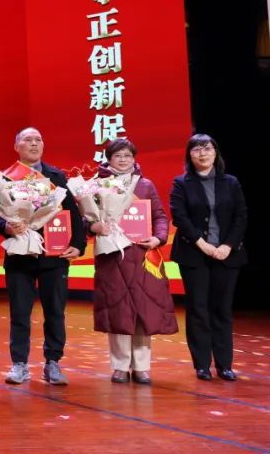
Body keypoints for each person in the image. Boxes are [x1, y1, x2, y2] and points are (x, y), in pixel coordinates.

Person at [0, 127, 86, 386]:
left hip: (54, 255)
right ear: (17, 146)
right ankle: (19, 364)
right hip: (20, 255)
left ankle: (53, 362)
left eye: (38, 140)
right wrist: (7, 227)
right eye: (28, 140)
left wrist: (78, 245)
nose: (34, 144)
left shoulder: (56, 176)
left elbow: (73, 213)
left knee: (55, 311)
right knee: (20, 312)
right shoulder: (5, 178)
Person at [89, 138, 177, 385]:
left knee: (143, 310)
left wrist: (158, 238)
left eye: (127, 155)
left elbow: (160, 216)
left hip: (142, 255)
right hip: (112, 255)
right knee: (118, 310)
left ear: (134, 158)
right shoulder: (97, 185)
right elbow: (86, 219)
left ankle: (141, 366)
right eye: (118, 155)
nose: (123, 159)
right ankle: (119, 365)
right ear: (109, 159)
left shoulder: (145, 185)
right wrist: (94, 226)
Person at [169, 134, 248, 381]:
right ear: (189, 155)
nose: (202, 154)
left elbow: (241, 216)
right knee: (198, 308)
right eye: (196, 150)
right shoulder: (181, 183)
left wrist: (227, 245)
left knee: (222, 309)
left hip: (227, 254)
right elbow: (180, 217)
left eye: (207, 149)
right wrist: (202, 244)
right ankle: (202, 364)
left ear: (215, 153)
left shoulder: (231, 182)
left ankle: (224, 365)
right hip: (194, 254)